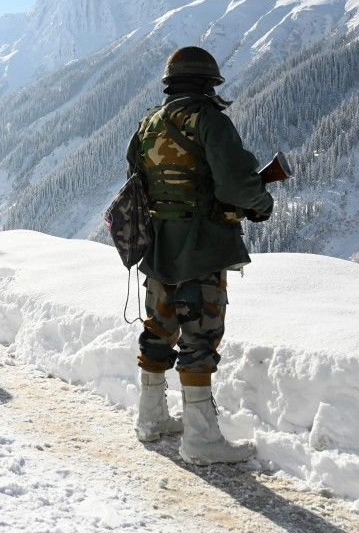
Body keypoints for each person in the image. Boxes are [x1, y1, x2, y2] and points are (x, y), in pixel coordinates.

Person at [126, 46, 273, 465]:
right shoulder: (210, 120)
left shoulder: (148, 124)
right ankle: (202, 440)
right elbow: (235, 185)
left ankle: (151, 418)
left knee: (158, 328)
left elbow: (136, 182)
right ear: (209, 83)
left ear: (170, 83)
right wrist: (261, 203)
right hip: (202, 246)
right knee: (200, 336)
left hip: (158, 245)